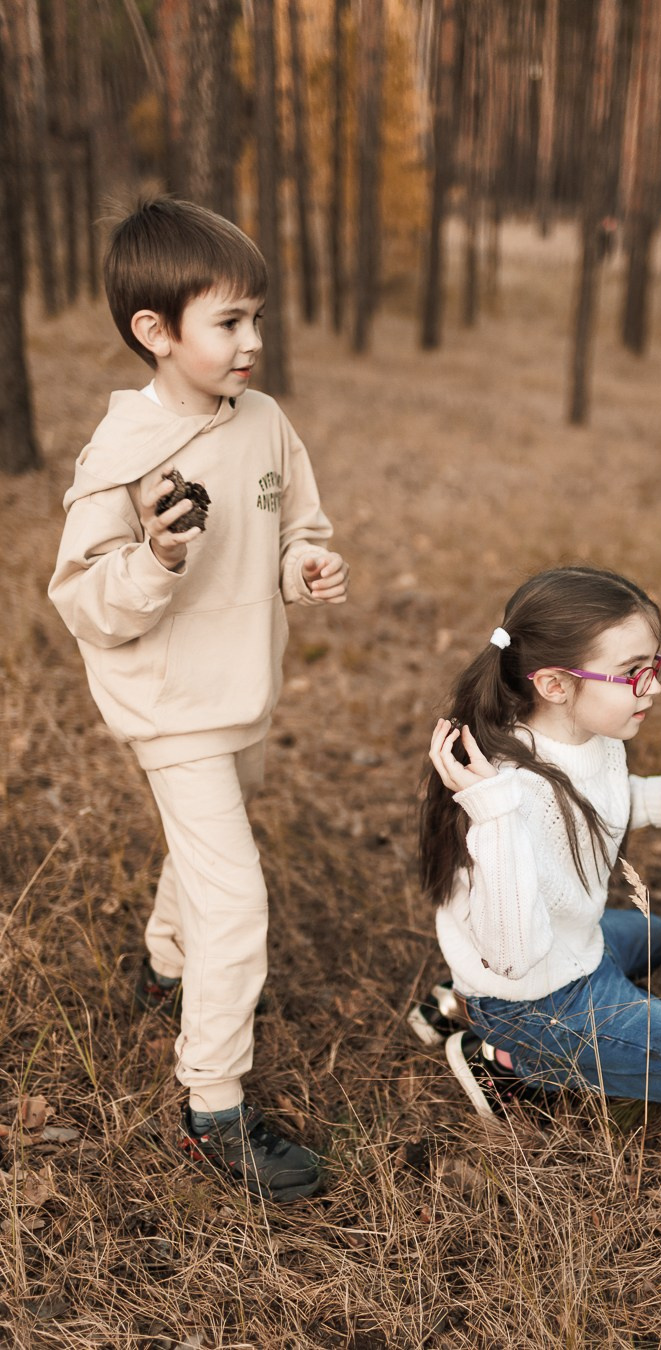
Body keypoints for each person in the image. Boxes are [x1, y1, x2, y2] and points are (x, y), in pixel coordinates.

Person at [49, 197, 349, 1203]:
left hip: (243, 691)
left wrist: (307, 564)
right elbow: (87, 603)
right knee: (238, 902)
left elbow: (298, 520)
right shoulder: (122, 459)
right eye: (229, 323)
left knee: (208, 843)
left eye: (256, 318)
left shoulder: (264, 422)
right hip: (171, 706)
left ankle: (164, 963)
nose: (253, 342)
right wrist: (156, 559)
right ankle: (211, 1107)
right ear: (155, 331)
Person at [417, 566, 661, 1119]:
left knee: (656, 936)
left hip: (572, 946)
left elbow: (593, 806)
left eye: (655, 664)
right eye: (632, 672)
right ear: (555, 684)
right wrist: (493, 816)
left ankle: (460, 999)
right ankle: (506, 1058)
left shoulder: (589, 737)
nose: (653, 686)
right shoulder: (505, 794)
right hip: (532, 992)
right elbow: (513, 958)